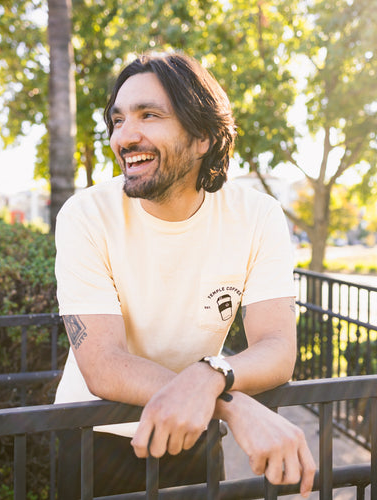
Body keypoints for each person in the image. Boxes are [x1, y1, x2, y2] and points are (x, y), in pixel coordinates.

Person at [54, 51, 315, 498]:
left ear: (203, 137)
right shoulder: (86, 214)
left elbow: (277, 346)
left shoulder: (258, 216)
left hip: (194, 435)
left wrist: (208, 378)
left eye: (149, 115)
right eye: (117, 121)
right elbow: (102, 364)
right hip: (94, 435)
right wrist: (232, 407)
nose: (124, 137)